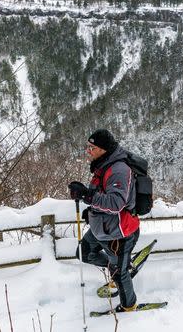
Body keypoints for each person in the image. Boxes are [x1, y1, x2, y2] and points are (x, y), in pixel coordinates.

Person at [68, 129, 140, 312]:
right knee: (84, 253)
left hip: (119, 232)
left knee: (119, 273)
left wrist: (86, 196)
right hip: (103, 227)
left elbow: (116, 203)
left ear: (104, 149)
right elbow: (102, 195)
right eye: (88, 146)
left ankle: (129, 306)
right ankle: (121, 265)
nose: (88, 151)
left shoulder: (118, 169)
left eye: (92, 147)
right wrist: (91, 211)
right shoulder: (103, 165)